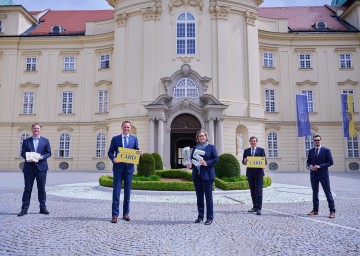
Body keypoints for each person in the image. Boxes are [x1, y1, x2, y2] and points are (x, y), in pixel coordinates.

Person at [108, 121, 142, 223]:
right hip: (118, 168)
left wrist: (140, 153)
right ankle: (114, 215)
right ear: (121, 127)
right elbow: (110, 152)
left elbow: (136, 151)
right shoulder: (115, 139)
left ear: (130, 128)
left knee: (127, 193)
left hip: (129, 169)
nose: (126, 128)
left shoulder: (134, 139)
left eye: (128, 127)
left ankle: (125, 214)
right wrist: (113, 158)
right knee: (116, 192)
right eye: (125, 127)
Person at [18, 123, 52, 217]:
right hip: (29, 168)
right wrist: (28, 157)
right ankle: (24, 209)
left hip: (41, 168)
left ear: (40, 129)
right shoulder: (26, 141)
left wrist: (42, 157)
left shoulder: (45, 141)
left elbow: (49, 153)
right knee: (27, 189)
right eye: (34, 128)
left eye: (37, 128)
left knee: (41, 189)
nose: (36, 130)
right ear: (31, 130)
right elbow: (23, 153)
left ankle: (43, 208)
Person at [186, 130, 218, 225]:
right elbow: (192, 160)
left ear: (206, 137)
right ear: (198, 138)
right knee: (199, 197)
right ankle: (200, 217)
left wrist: (207, 163)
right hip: (197, 175)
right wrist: (189, 165)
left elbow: (216, 159)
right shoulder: (195, 148)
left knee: (208, 197)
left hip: (207, 175)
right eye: (200, 136)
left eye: (203, 136)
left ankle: (209, 218)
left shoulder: (211, 147)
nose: (201, 137)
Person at [306, 135, 336, 219]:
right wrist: (310, 166)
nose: (317, 141)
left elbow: (330, 162)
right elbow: (308, 161)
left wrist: (320, 166)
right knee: (315, 193)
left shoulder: (326, 150)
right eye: (315, 140)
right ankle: (315, 210)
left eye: (318, 140)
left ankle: (332, 211)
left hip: (323, 175)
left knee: (327, 192)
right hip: (313, 175)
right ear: (313, 141)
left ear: (320, 140)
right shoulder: (311, 151)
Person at [242, 136, 266, 216]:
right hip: (250, 173)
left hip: (259, 174)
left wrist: (263, 165)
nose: (253, 142)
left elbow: (264, 161)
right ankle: (254, 206)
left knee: (259, 191)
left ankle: (259, 208)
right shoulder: (246, 151)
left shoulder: (261, 150)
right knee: (252, 191)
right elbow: (243, 161)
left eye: (254, 141)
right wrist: (244, 161)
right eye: (251, 141)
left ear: (256, 142)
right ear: (250, 142)